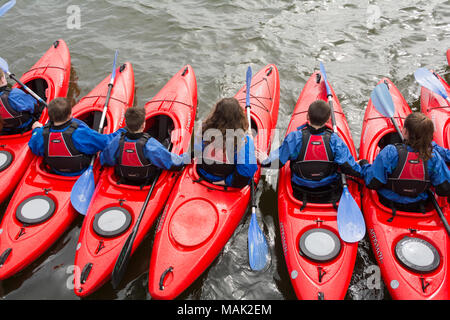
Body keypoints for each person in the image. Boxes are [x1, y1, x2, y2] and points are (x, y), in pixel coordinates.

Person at [258, 100, 363, 204]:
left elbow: (277, 162)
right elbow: (349, 167)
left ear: (307, 117)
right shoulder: (335, 141)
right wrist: (362, 167)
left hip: (300, 190)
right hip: (328, 190)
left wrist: (264, 160)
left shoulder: (294, 138)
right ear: (328, 120)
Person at [360, 112, 450, 213]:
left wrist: (364, 165)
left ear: (405, 132)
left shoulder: (390, 152)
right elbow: (444, 189)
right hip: (417, 205)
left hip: (387, 202)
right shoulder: (434, 157)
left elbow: (372, 182)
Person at [100, 106, 189, 185]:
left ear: (126, 124)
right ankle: (168, 136)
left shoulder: (117, 140)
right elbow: (174, 164)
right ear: (143, 124)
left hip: (124, 177)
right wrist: (187, 156)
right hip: (146, 180)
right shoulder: (150, 144)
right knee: (165, 143)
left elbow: (105, 160)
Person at [29, 97, 113, 176]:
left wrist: (36, 129)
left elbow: (34, 148)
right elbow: (105, 143)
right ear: (70, 115)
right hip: (80, 171)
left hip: (55, 170)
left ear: (50, 116)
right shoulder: (81, 132)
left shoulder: (41, 133)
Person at [195, 97, 257, 188]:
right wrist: (226, 181)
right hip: (225, 181)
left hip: (203, 174)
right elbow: (245, 174)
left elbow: (197, 151)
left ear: (215, 115)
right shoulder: (244, 141)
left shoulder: (204, 130)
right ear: (239, 118)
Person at [0, 68, 38, 133]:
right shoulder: (14, 94)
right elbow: (34, 107)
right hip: (26, 127)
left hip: (5, 131)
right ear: (2, 80)